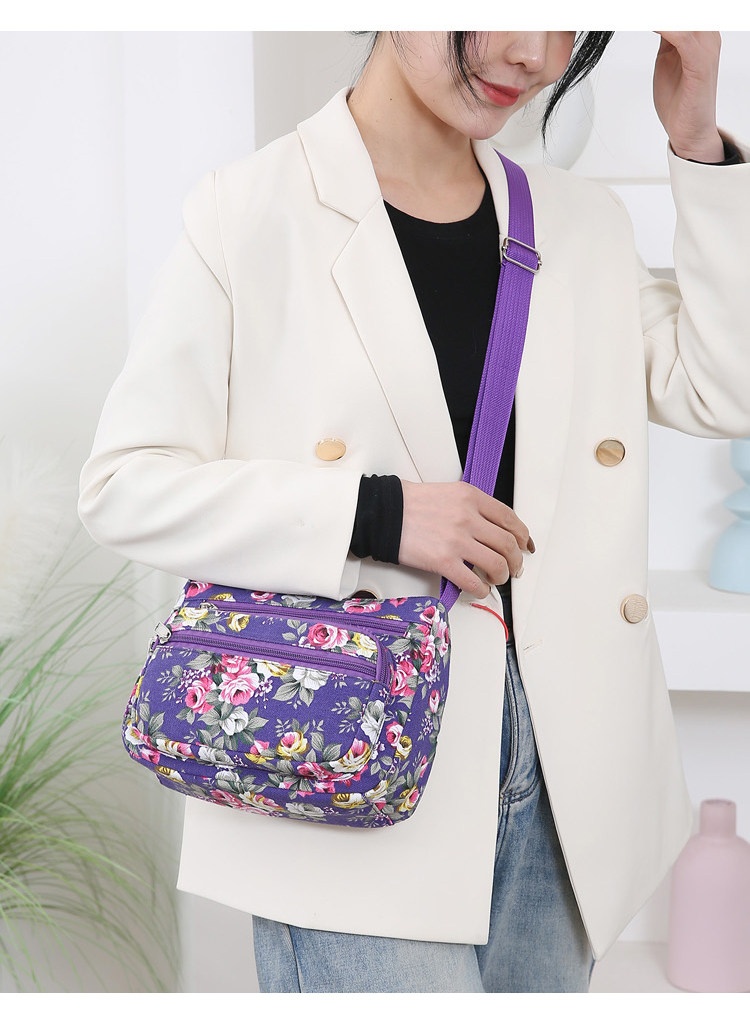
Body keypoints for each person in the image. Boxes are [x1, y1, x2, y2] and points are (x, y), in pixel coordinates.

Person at [78, 32, 749, 993]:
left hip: (568, 770)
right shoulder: (250, 212)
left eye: (567, 18)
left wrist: (696, 142)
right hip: (354, 757)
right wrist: (378, 515)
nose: (532, 51)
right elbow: (124, 484)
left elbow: (726, 387)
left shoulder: (581, 222)